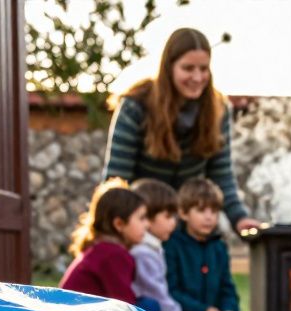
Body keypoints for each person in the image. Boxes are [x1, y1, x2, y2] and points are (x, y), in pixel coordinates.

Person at [103, 27, 261, 234]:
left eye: (203, 69)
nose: (197, 77)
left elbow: (221, 176)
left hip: (190, 231)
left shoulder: (218, 110)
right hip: (145, 227)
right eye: (188, 68)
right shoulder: (136, 107)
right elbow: (117, 179)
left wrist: (239, 218)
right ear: (169, 68)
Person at [58, 179, 157, 311]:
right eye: (141, 218)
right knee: (150, 306)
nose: (147, 225)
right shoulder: (113, 255)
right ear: (119, 224)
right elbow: (126, 308)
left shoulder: (101, 249)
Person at [164, 177, 239, 311]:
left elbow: (227, 287)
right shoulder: (172, 245)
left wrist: (228, 310)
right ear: (183, 213)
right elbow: (171, 290)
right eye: (201, 210)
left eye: (214, 211)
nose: (209, 217)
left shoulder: (219, 248)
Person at [129, 178, 182, 311]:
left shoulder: (153, 248)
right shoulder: (143, 253)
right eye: (168, 216)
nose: (173, 222)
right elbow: (154, 293)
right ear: (148, 218)